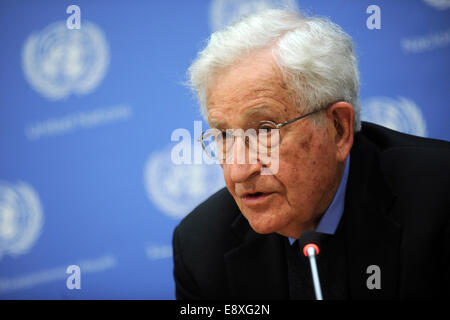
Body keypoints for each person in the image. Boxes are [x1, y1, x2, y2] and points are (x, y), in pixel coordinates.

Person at [172, 9, 450, 300]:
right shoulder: (200, 248)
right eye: (226, 136)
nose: (238, 171)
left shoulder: (439, 198)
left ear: (338, 128)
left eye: (265, 131)